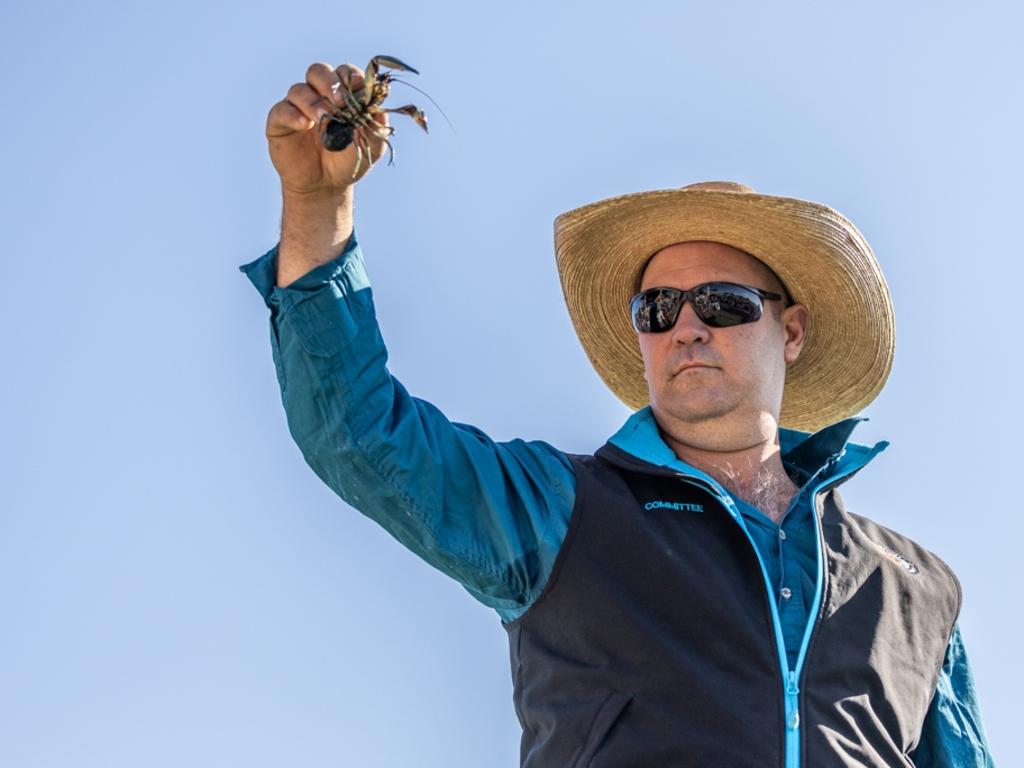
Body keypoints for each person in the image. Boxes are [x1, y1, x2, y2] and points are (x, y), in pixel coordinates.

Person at [240, 60, 996, 767]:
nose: (687, 327)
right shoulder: (558, 509)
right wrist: (316, 206)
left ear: (790, 331)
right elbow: (362, 435)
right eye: (659, 307)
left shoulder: (917, 588)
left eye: (724, 304)